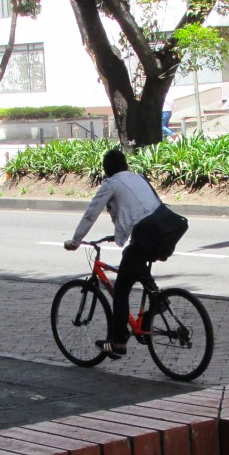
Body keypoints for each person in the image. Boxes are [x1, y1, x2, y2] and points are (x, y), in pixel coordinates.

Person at [64, 149, 161, 360]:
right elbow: (147, 205)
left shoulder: (111, 183)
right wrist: (120, 232)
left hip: (143, 234)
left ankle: (118, 343)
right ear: (125, 164)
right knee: (135, 261)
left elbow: (92, 213)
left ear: (106, 170)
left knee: (120, 291)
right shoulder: (138, 177)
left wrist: (76, 240)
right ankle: (157, 301)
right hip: (163, 229)